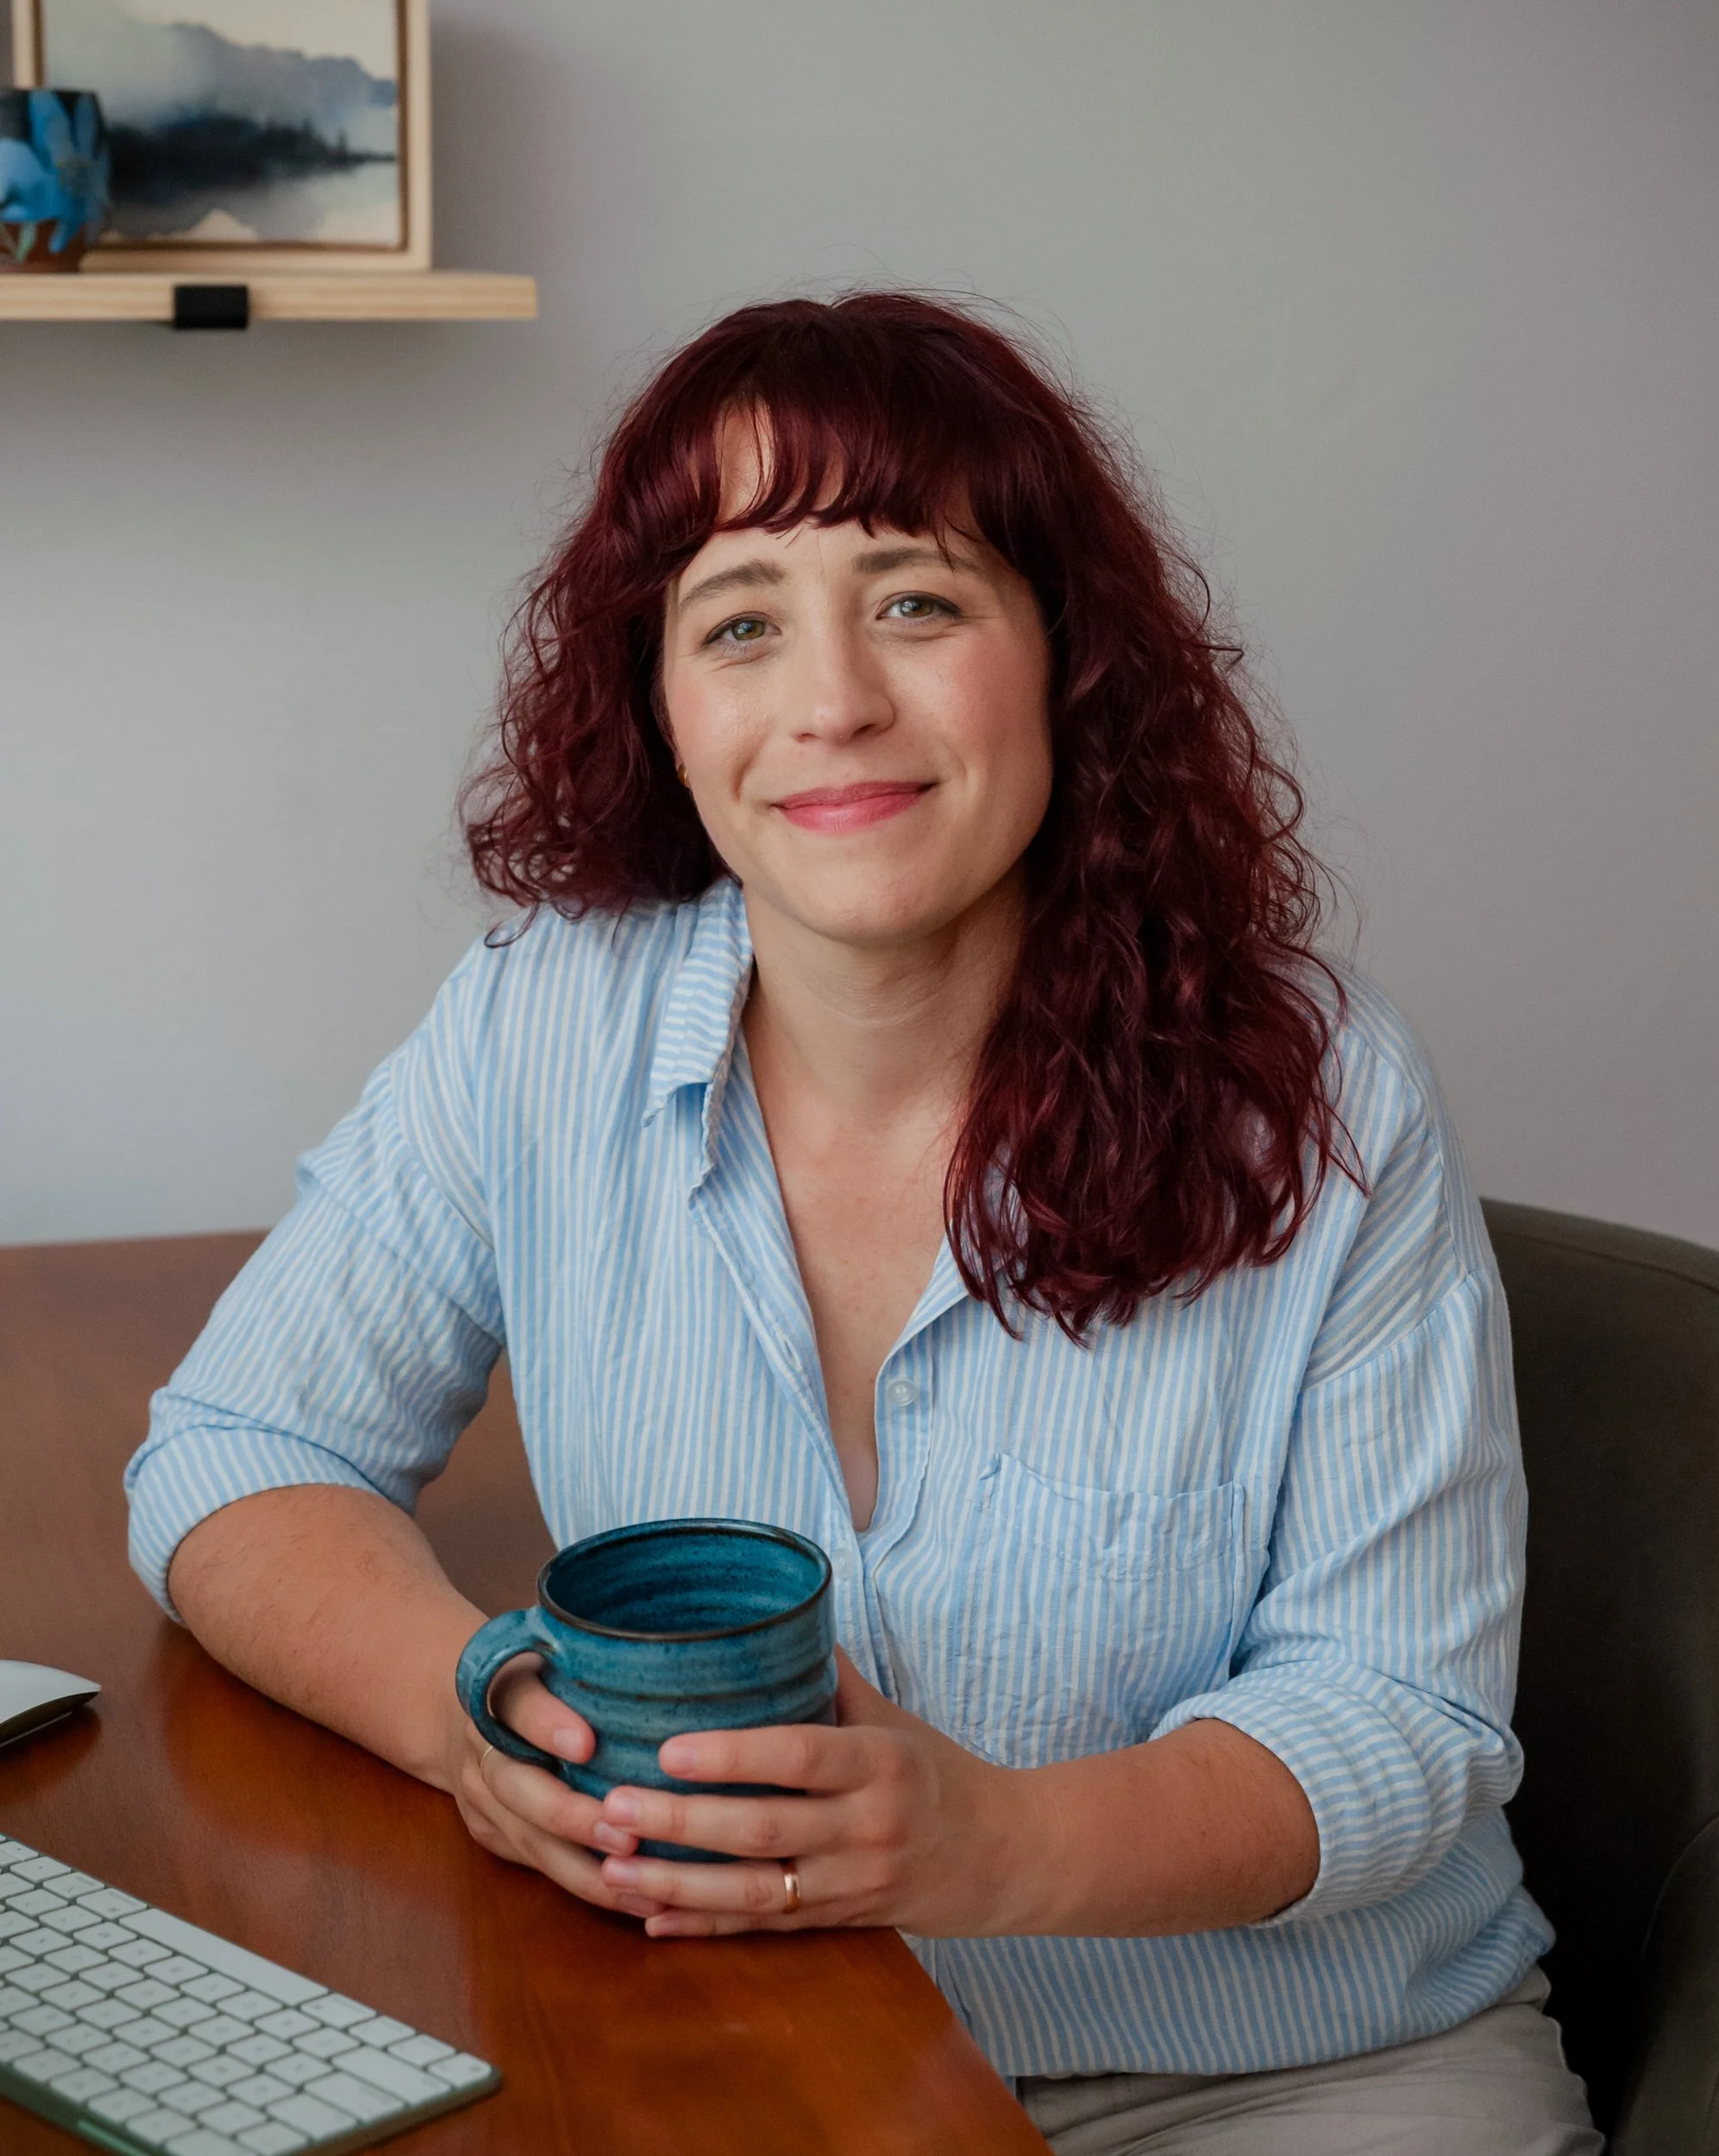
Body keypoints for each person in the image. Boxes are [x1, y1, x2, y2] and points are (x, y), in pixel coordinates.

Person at [127, 292, 1600, 2153]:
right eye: (739, 623)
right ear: (661, 703)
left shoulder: (1323, 1095)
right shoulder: (540, 1023)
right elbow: (239, 1450)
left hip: (1291, 2069)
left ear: (1061, 652)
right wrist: (475, 1717)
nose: (831, 699)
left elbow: (1403, 1715)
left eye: (916, 599)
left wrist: (995, 1835)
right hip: (744, 2043)